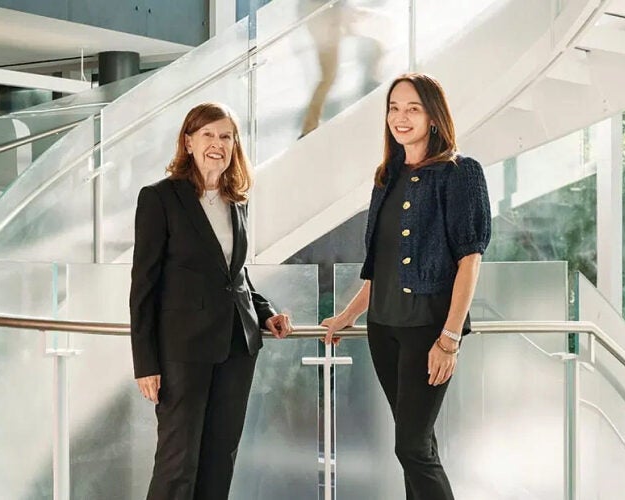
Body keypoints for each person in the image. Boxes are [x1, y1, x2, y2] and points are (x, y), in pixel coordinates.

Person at [321, 73, 491, 499]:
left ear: (433, 117)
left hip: (428, 331)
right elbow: (379, 266)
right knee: (416, 445)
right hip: (383, 329)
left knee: (411, 447)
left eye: (413, 108)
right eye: (394, 108)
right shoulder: (386, 177)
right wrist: (347, 315)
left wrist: (449, 338)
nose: (401, 117)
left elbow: (470, 259)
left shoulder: (460, 173)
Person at [130, 102, 294, 500]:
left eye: (225, 136)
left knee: (220, 459)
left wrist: (266, 312)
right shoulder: (159, 198)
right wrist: (145, 363)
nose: (217, 144)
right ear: (188, 142)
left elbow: (234, 274)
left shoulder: (236, 200)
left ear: (235, 144)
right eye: (208, 135)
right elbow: (143, 286)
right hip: (182, 351)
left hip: (236, 346)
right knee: (177, 463)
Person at [299, 0, 382, 137]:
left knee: (328, 77)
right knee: (328, 76)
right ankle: (309, 127)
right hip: (328, 18)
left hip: (328, 17)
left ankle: (309, 126)